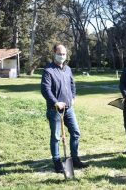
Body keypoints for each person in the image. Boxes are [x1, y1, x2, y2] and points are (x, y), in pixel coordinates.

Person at [41, 44, 87, 173]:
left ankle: (75, 158)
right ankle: (57, 162)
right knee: (56, 137)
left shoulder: (67, 69)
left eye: (64, 54)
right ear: (54, 54)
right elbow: (45, 90)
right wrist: (56, 102)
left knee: (76, 132)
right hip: (54, 110)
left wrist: (73, 97)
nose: (62, 56)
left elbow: (72, 84)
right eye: (59, 54)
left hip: (68, 108)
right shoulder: (48, 70)